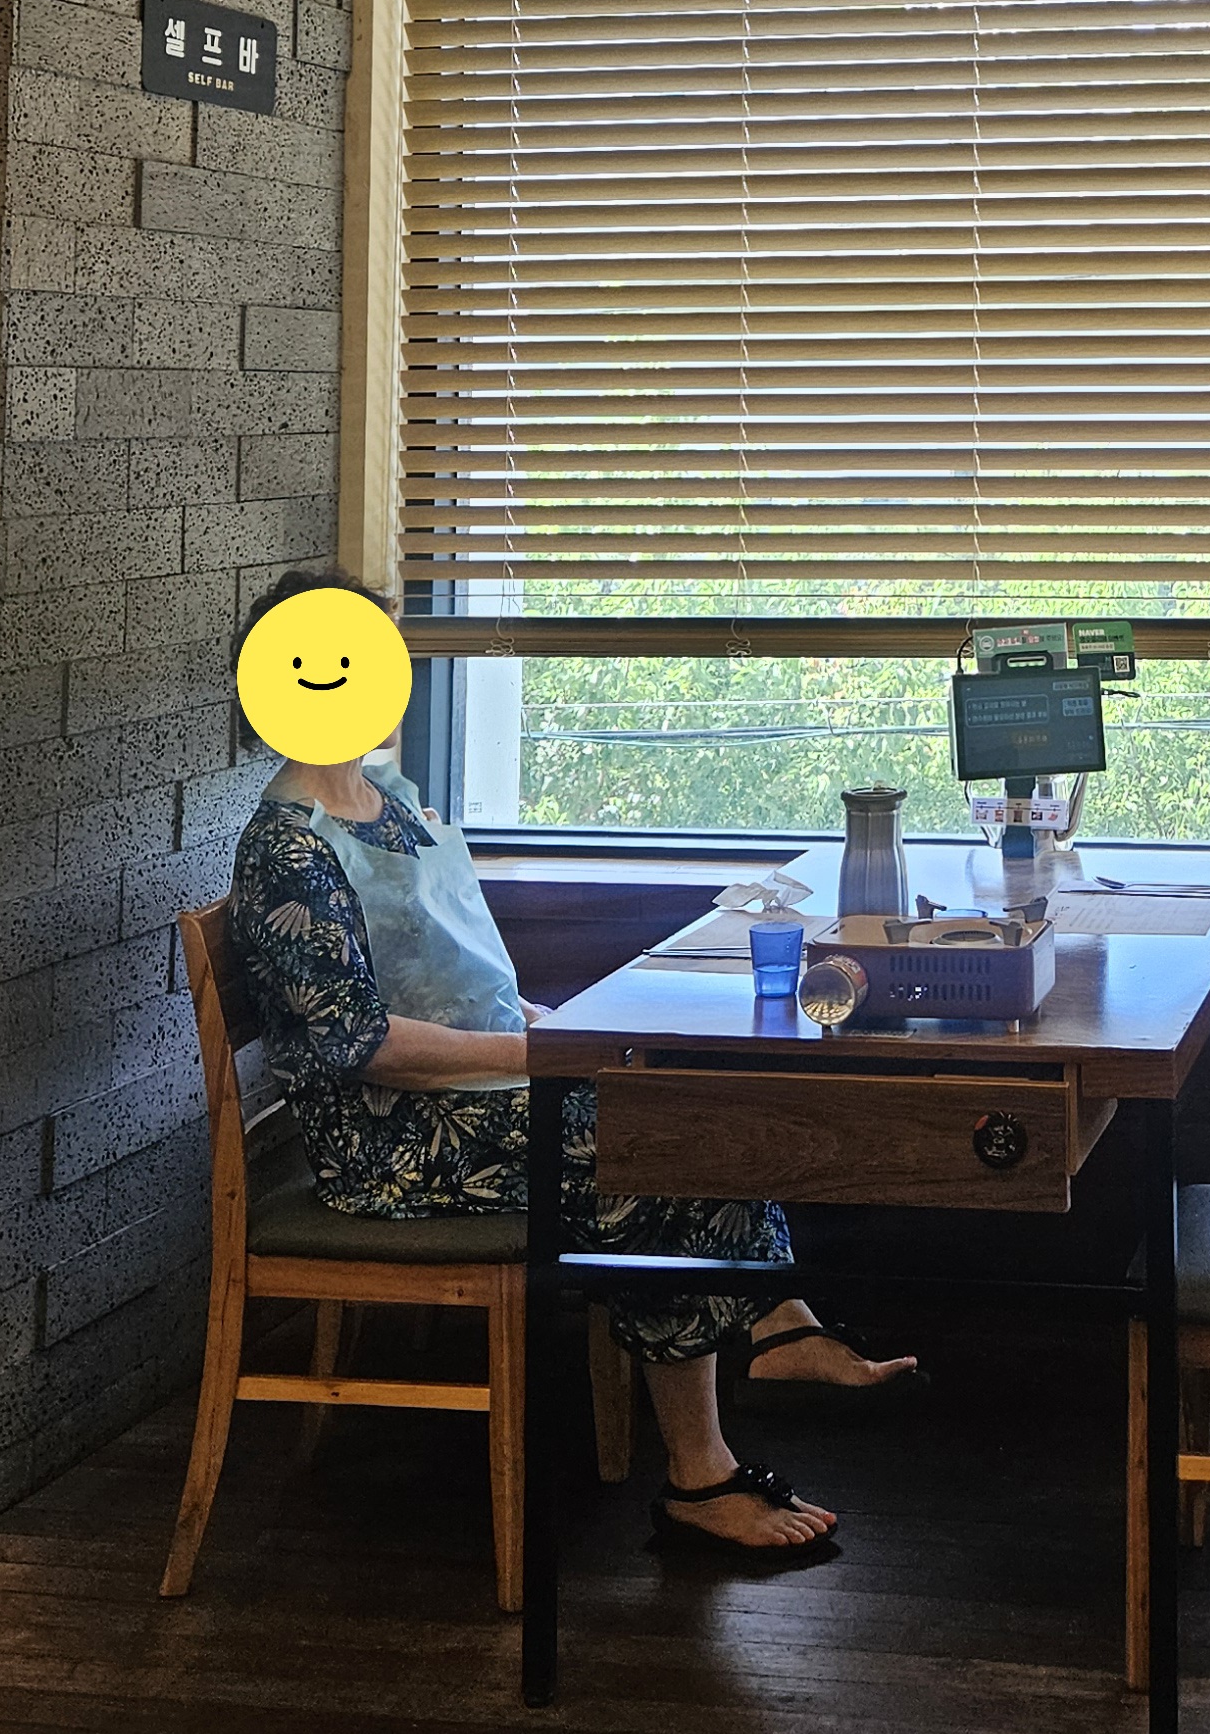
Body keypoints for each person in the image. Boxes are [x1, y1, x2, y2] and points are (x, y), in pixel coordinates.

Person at [226, 569, 914, 1561]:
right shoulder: (287, 852)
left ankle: (765, 1350)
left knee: (676, 1107)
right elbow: (364, 1045)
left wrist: (549, 1025)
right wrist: (540, 1051)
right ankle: (727, 1422)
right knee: (650, 1144)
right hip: (390, 1139)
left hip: (484, 1088)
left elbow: (457, 966)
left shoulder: (392, 802)